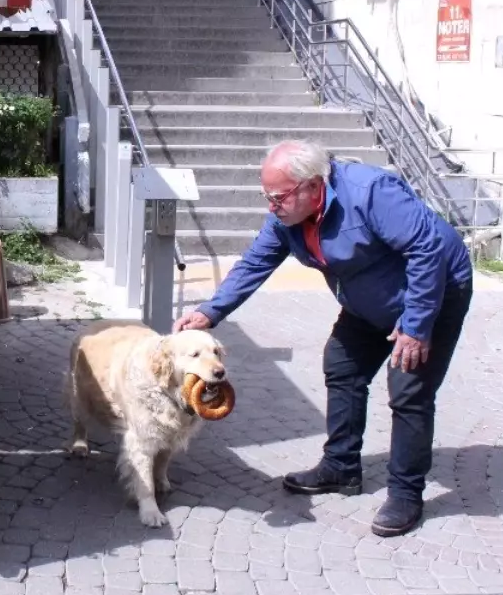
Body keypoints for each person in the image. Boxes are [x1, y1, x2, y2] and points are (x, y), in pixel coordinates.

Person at [172, 140, 473, 538]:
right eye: (267, 197)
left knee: (408, 391)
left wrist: (417, 326)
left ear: (313, 187)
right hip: (368, 299)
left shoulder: (369, 193)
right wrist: (211, 311)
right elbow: (257, 262)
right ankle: (341, 467)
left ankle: (405, 493)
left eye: (278, 197)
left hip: (432, 294)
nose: (271, 207)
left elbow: (427, 249)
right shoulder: (287, 216)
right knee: (342, 365)